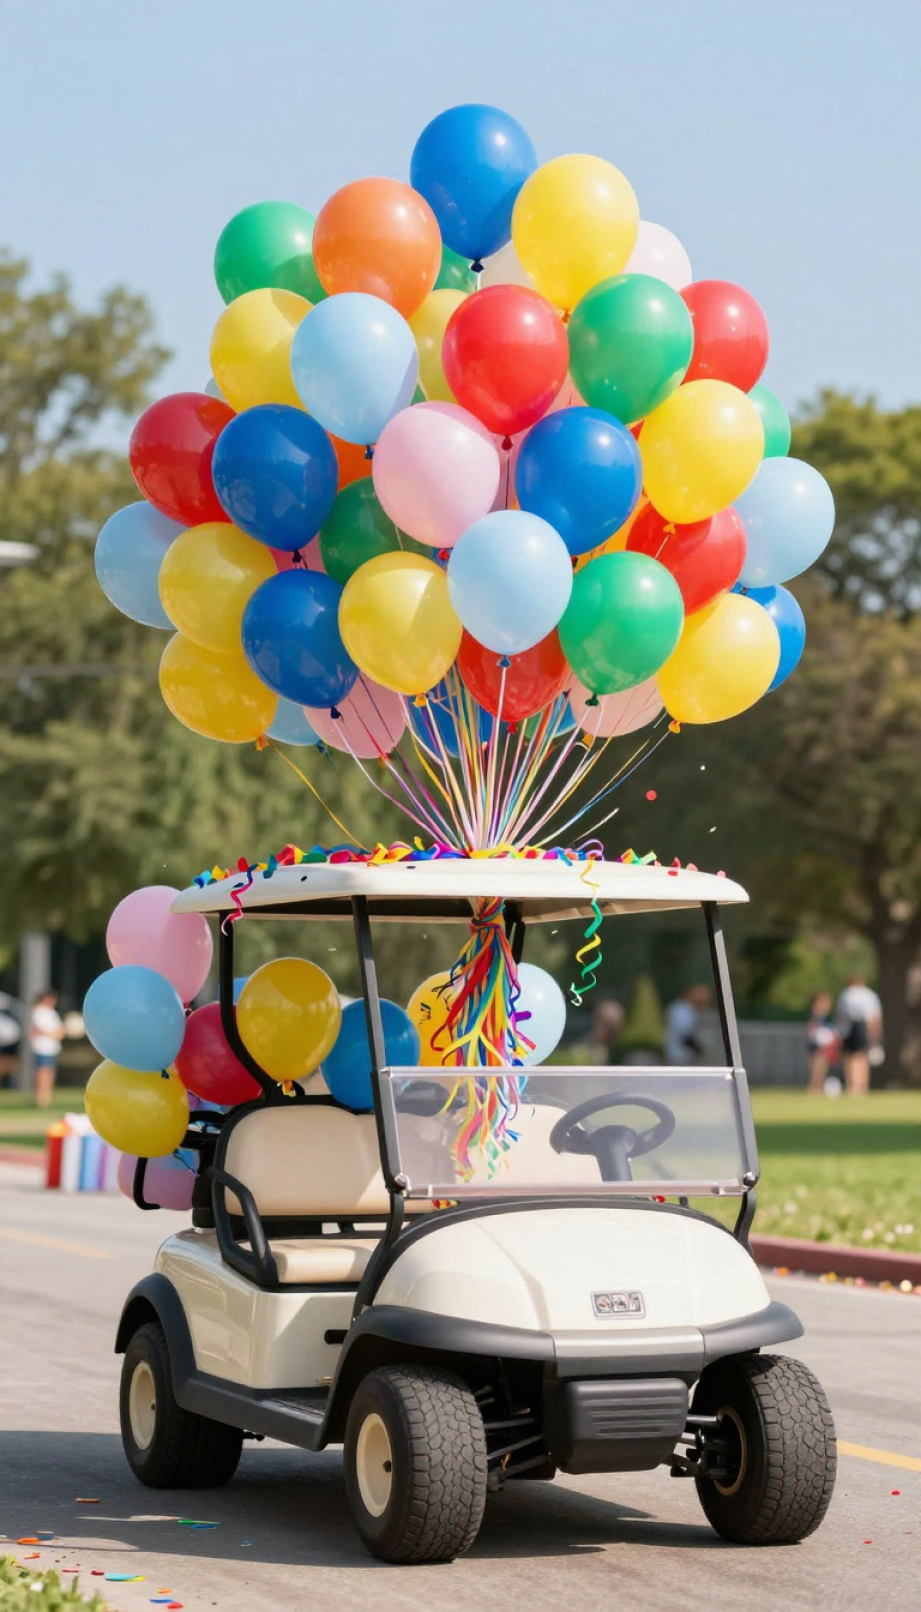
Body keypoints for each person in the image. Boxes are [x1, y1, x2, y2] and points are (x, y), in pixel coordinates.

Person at [835, 975, 883, 1096]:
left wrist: (839, 1032)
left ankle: (853, 1085)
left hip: (851, 1026)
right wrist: (876, 1035)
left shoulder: (846, 994)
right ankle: (862, 1085)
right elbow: (874, 1017)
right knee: (861, 1057)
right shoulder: (870, 994)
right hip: (863, 1026)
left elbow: (840, 1015)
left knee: (851, 1057)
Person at [29, 989, 65, 1108]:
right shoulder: (38, 1012)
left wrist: (57, 1034)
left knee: (49, 1073)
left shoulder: (52, 1013)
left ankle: (47, 1096)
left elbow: (60, 1029)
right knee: (42, 1073)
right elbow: (39, 1029)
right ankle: (40, 1097)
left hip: (52, 1047)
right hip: (42, 1047)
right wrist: (52, 1034)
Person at [663, 985, 712, 1065]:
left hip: (682, 1057)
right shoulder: (682, 1010)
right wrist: (700, 1050)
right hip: (679, 1058)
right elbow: (685, 1035)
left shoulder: (689, 1010)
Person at [806, 991, 839, 1095]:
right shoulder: (817, 1018)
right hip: (817, 1045)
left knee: (823, 1066)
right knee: (816, 1066)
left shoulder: (826, 1019)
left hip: (825, 1047)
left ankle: (819, 1086)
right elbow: (814, 1031)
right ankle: (814, 1086)